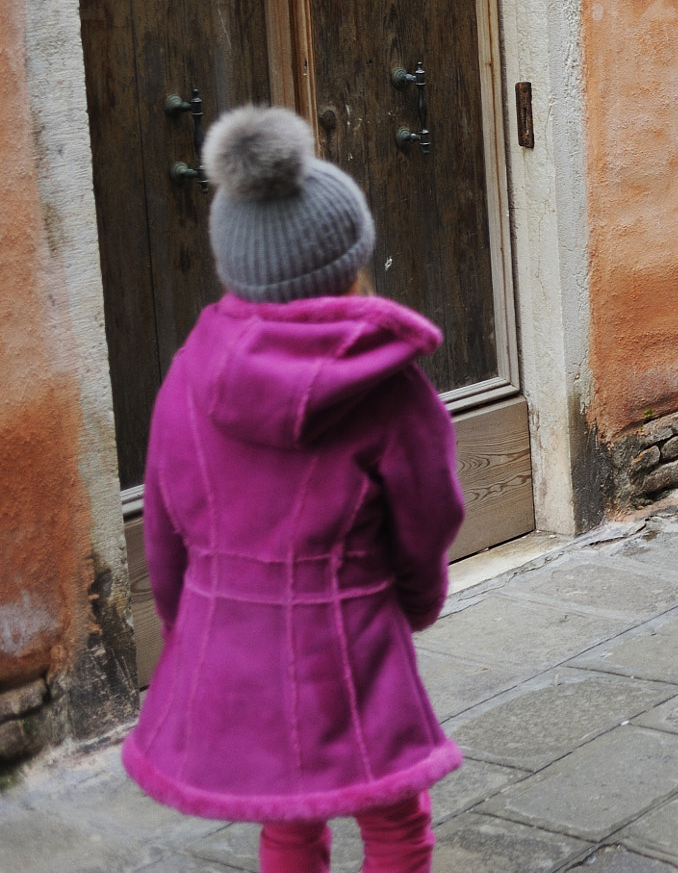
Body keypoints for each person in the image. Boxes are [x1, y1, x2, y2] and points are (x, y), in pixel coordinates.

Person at [122, 106, 465, 873]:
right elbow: (430, 508)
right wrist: (416, 596)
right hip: (352, 637)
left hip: (235, 641)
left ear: (230, 264)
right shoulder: (385, 382)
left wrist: (189, 627)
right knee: (396, 816)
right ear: (350, 259)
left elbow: (164, 518)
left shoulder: (188, 371)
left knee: (287, 813)